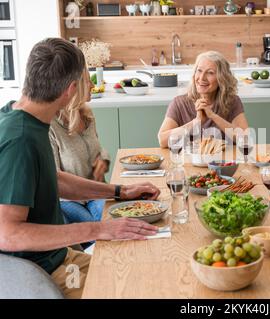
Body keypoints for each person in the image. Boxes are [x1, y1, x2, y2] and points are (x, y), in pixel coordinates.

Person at [0, 38, 161, 298]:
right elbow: (7, 234)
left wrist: (120, 191)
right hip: (47, 274)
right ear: (70, 89)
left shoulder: (22, 117)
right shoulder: (21, 139)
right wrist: (100, 229)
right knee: (131, 290)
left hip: (62, 260)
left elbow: (54, 179)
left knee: (142, 272)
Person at [49, 67, 109, 226]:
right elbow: (54, 179)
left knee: (117, 218)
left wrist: (103, 160)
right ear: (74, 87)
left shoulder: (88, 116)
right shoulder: (51, 125)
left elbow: (99, 150)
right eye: (88, 81)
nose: (92, 85)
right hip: (68, 201)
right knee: (99, 228)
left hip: (95, 192)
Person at [158, 51, 249, 147]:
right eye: (199, 70)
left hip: (223, 161)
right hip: (188, 161)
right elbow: (162, 140)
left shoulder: (232, 101)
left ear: (222, 78)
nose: (202, 78)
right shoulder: (179, 103)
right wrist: (196, 122)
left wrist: (213, 116)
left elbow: (245, 139)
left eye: (210, 73)